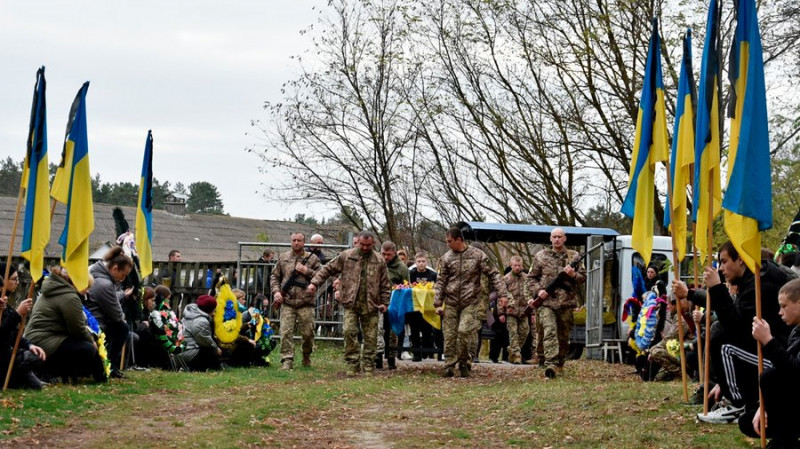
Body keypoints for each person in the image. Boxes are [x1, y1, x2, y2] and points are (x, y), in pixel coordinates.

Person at [678, 241, 791, 424]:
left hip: (781, 360)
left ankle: (736, 403)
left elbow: (734, 326)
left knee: (723, 342)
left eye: (724, 261)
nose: (721, 268)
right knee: (719, 333)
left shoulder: (760, 283)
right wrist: (723, 383)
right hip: (772, 353)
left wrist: (716, 287)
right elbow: (736, 319)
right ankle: (739, 399)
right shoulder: (755, 277)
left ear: (740, 259)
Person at [307, 230, 390, 376]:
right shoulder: (347, 256)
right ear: (358, 242)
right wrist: (314, 283)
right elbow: (328, 269)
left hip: (371, 304)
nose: (364, 247)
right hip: (350, 301)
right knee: (349, 331)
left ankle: (369, 365)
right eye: (362, 244)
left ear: (373, 244)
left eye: (368, 245)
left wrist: (385, 303)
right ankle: (353, 363)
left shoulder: (379, 260)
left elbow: (385, 284)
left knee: (371, 336)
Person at [434, 227, 508, 378]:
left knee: (463, 332)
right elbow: (441, 281)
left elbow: (494, 274)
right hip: (451, 301)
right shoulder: (446, 258)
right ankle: (449, 365)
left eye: (450, 241)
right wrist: (437, 302)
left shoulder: (477, 255)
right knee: (449, 335)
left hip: (471, 301)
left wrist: (502, 294)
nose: (447, 244)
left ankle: (464, 361)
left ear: (459, 240)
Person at [742, 278, 800, 446]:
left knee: (770, 377)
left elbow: (795, 372)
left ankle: (785, 439)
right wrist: (764, 406)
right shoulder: (796, 331)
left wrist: (768, 340)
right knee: (747, 421)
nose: (780, 312)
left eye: (784, 306)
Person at [25, 267, 105, 383]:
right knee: (87, 349)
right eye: (87, 287)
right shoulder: (69, 297)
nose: (88, 291)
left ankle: (96, 376)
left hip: (37, 338)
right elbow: (77, 329)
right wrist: (91, 341)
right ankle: (50, 371)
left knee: (83, 345)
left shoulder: (55, 290)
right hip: (44, 340)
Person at [526, 227, 586, 379]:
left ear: (565, 238)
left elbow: (583, 278)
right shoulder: (540, 256)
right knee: (549, 330)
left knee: (563, 336)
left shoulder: (574, 256)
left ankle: (559, 362)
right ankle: (550, 363)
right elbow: (531, 278)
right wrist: (539, 291)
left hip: (566, 303)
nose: (557, 239)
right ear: (550, 239)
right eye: (554, 237)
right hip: (547, 303)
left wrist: (573, 275)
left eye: (560, 236)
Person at [270, 232, 320, 370]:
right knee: (285, 331)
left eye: (299, 240)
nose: (296, 243)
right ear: (290, 241)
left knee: (308, 333)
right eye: (294, 240)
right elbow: (274, 277)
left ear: (304, 242)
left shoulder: (313, 259)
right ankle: (287, 360)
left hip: (306, 302)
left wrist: (306, 271)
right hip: (287, 301)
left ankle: (306, 355)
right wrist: (276, 292)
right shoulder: (283, 258)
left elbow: (321, 275)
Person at [88, 246, 134, 378]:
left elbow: (109, 297)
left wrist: (121, 295)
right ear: (114, 268)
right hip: (96, 323)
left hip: (92, 319)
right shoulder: (105, 284)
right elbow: (117, 315)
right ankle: (110, 366)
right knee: (122, 327)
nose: (123, 279)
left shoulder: (96, 273)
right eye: (123, 274)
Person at [0, 264, 46, 389]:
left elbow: (13, 334)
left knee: (36, 386)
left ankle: (14, 379)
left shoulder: (6, 305)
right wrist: (17, 313)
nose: (17, 282)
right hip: (3, 357)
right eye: (14, 279)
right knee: (33, 358)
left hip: (7, 355)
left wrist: (29, 345)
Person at [376, 241, 408, 369]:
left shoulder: (401, 268)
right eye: (383, 254)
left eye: (388, 255)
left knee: (392, 331)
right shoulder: (377, 262)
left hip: (394, 303)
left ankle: (391, 358)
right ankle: (377, 357)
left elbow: (406, 287)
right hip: (377, 301)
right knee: (378, 329)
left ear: (394, 253)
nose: (385, 257)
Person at [176, 295, 222, 371]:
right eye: (214, 310)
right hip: (187, 353)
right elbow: (205, 341)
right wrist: (216, 349)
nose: (214, 313)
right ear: (209, 310)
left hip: (182, 351)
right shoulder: (201, 321)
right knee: (209, 349)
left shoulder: (190, 314)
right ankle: (197, 368)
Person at [499, 256, 529, 364]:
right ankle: (516, 355)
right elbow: (501, 296)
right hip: (511, 310)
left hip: (524, 310)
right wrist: (501, 313)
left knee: (525, 331)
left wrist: (533, 312)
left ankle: (512, 349)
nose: (517, 267)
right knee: (513, 333)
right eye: (515, 265)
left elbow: (531, 295)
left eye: (519, 265)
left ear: (522, 266)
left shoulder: (527, 278)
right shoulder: (505, 279)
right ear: (511, 265)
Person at [408, 252, 438, 360]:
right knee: (414, 329)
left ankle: (426, 352)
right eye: (419, 261)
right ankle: (416, 353)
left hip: (427, 306)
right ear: (415, 263)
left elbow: (436, 289)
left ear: (427, 262)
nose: (421, 264)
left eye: (423, 261)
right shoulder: (411, 274)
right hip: (414, 306)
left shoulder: (432, 275)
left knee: (427, 330)